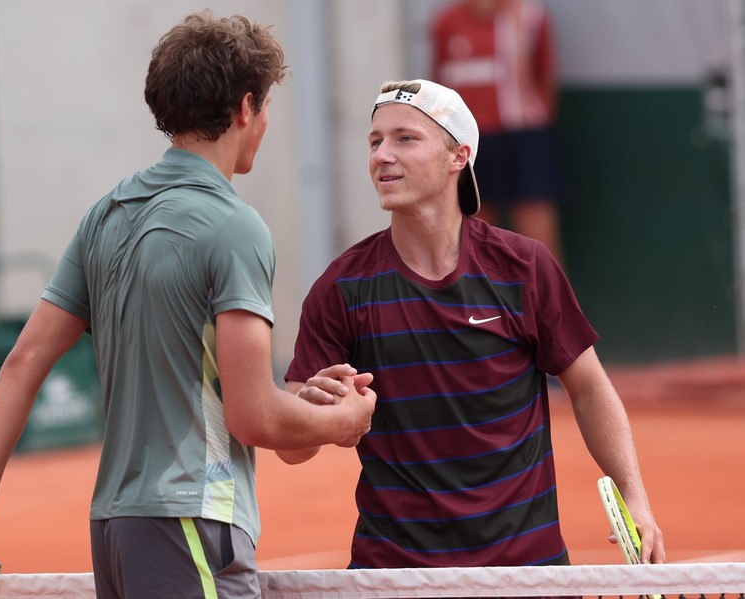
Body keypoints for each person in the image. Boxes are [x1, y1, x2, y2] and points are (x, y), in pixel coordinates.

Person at [0, 11, 376, 598]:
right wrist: (342, 421)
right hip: (192, 522)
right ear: (245, 108)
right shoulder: (236, 227)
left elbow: (23, 361)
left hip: (115, 530)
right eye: (264, 107)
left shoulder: (106, 215)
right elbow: (253, 416)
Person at [277, 79, 665, 568]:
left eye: (405, 138)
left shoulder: (524, 267)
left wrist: (635, 497)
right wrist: (313, 411)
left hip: (527, 572)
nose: (382, 155)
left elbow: (588, 388)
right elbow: (293, 448)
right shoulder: (341, 287)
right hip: (397, 575)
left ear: (458, 156)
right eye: (375, 141)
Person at [430, 0, 565, 264]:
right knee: (472, 239)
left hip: (524, 138)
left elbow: (546, 77)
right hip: (467, 142)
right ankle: (481, 292)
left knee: (538, 243)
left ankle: (546, 291)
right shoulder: (446, 21)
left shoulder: (531, 17)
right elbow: (439, 80)